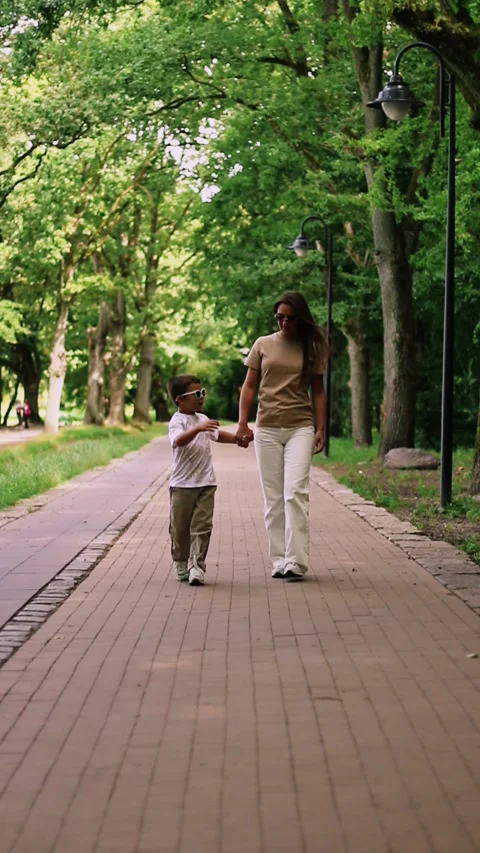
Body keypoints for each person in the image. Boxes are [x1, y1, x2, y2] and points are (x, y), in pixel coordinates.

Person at [236, 291, 328, 582]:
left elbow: (318, 391)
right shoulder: (263, 344)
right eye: (280, 317)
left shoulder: (312, 347)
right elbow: (249, 386)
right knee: (274, 498)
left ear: (301, 319)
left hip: (300, 426)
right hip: (267, 429)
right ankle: (279, 560)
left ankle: (296, 562)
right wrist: (242, 423)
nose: (285, 323)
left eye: (291, 318)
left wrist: (321, 428)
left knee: (295, 493)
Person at [168, 374, 249, 586]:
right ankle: (181, 561)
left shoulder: (202, 419)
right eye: (196, 393)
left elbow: (217, 435)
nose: (201, 396)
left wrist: (237, 439)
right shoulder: (177, 421)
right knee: (180, 528)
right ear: (180, 400)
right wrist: (196, 429)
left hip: (206, 483)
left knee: (202, 527)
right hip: (182, 486)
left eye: (202, 392)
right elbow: (178, 441)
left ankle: (197, 566)